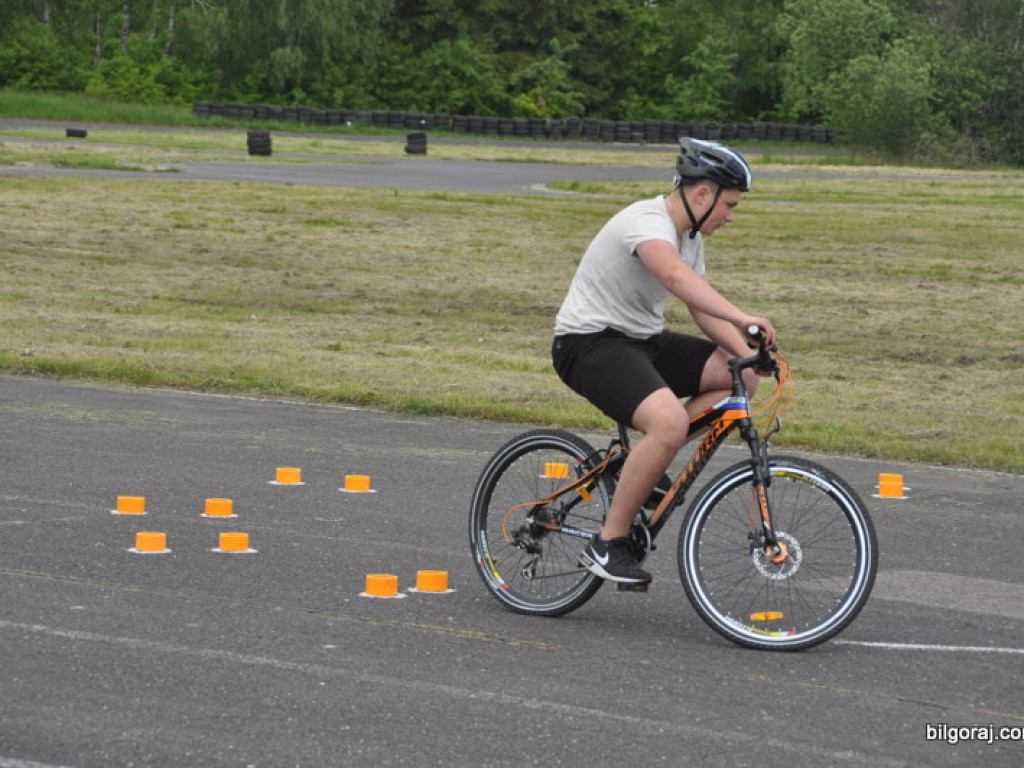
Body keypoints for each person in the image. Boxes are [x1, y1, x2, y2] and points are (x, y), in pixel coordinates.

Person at [551, 137, 777, 585]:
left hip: (641, 340)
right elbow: (673, 277)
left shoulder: (689, 235)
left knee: (741, 383)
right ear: (701, 194)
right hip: (588, 343)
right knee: (670, 423)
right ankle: (607, 544)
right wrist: (744, 317)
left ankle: (646, 458)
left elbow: (701, 307)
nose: (730, 217)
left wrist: (747, 354)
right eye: (728, 205)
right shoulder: (646, 222)